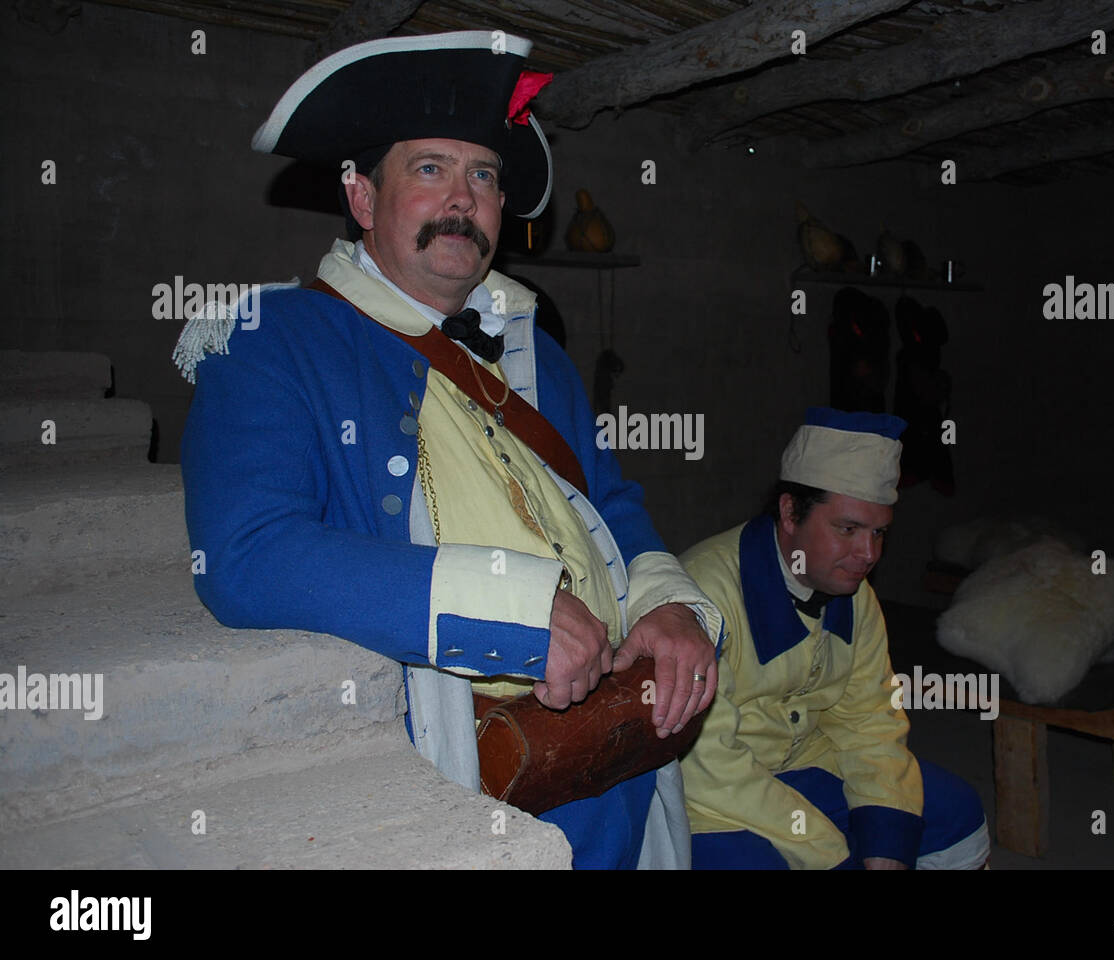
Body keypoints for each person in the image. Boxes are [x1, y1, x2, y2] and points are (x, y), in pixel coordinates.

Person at [174, 31, 721, 870]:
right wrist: (511, 609)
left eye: (484, 177)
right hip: (454, 763)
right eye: (430, 169)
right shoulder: (267, 336)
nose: (462, 200)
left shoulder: (533, 348)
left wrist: (671, 607)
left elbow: (611, 503)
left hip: (609, 743)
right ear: (361, 197)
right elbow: (246, 554)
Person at [678, 408, 989, 869]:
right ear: (789, 512)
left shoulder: (854, 595)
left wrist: (886, 847)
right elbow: (705, 764)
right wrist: (828, 852)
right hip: (712, 796)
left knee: (956, 813)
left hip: (807, 762)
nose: (868, 554)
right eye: (848, 529)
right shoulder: (703, 597)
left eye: (879, 532)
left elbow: (870, 722)